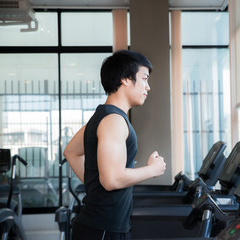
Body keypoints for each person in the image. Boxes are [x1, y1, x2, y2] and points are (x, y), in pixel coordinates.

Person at [63, 50, 166, 240]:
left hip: (99, 226)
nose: (148, 87)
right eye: (144, 79)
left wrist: (96, 186)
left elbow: (71, 152)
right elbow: (111, 180)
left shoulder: (103, 116)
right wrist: (152, 169)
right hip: (103, 229)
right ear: (125, 78)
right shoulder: (114, 120)